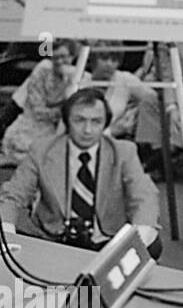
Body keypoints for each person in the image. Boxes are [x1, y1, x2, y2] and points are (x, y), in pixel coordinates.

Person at [0, 88, 159, 246]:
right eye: (79, 120)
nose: (87, 130)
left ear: (105, 124)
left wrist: (140, 236)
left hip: (106, 240)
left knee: (153, 244)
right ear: (67, 121)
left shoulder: (124, 151)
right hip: (53, 237)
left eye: (96, 122)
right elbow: (14, 194)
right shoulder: (42, 150)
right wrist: (6, 233)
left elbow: (144, 196)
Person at [0, 38, 81, 166]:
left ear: (72, 56)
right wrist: (62, 111)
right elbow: (37, 111)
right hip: (34, 125)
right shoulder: (43, 70)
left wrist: (70, 83)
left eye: (64, 57)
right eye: (56, 58)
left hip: (58, 128)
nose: (60, 62)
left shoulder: (78, 76)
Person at [81, 43, 152, 140]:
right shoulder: (81, 82)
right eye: (104, 59)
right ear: (93, 60)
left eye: (114, 60)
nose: (109, 64)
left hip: (118, 142)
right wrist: (111, 131)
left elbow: (153, 100)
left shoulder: (125, 79)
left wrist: (135, 111)